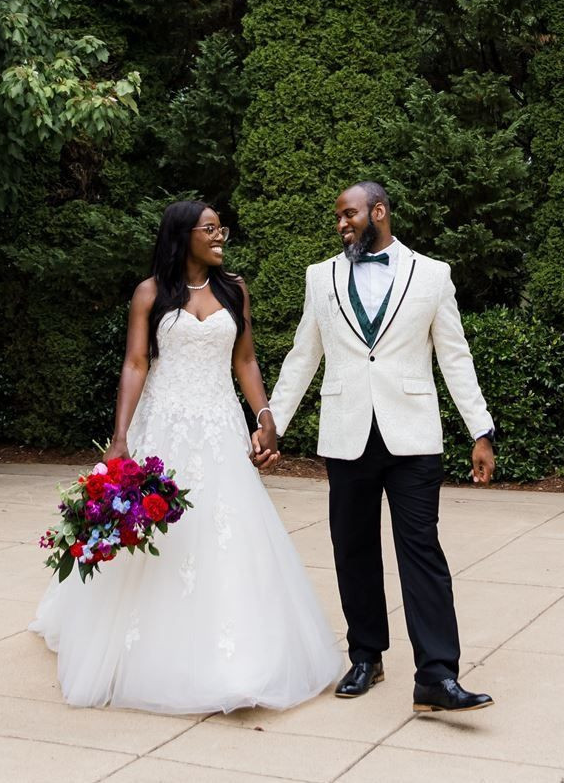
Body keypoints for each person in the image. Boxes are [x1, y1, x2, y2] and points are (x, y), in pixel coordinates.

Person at [29, 199, 341, 713]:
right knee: (157, 533)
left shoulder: (234, 290)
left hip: (220, 427)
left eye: (222, 229)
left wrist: (265, 418)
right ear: (184, 235)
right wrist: (120, 437)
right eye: (210, 229)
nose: (221, 237)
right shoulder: (150, 294)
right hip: (165, 428)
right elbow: (135, 363)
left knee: (230, 535)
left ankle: (241, 660)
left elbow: (245, 360)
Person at [257, 181, 497, 714]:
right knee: (353, 549)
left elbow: (455, 357)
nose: (341, 224)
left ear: (379, 212)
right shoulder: (321, 278)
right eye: (338, 218)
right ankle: (366, 654)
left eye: (349, 215)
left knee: (422, 552)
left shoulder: (432, 275)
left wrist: (480, 430)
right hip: (346, 433)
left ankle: (436, 676)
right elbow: (303, 355)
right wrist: (272, 420)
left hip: (412, 436)